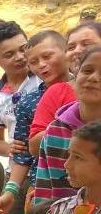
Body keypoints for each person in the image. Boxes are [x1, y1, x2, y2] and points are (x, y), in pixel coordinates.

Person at [0, 30, 70, 214]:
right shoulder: (28, 102)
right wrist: (11, 190)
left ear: (66, 51)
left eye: (47, 56)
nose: (41, 65)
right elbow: (23, 152)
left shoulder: (87, 89)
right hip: (42, 187)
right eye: (33, 62)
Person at [0, 20, 42, 214]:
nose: (20, 57)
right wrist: (9, 148)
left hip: (46, 172)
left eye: (23, 49)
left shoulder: (43, 79)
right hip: (16, 173)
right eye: (9, 54)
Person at [34, 46, 101, 204]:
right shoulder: (55, 131)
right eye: (87, 70)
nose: (93, 78)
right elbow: (45, 190)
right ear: (75, 77)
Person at [27, 23, 100, 158]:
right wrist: (66, 127)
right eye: (71, 47)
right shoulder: (57, 91)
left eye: (86, 44)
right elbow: (34, 146)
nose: (77, 50)